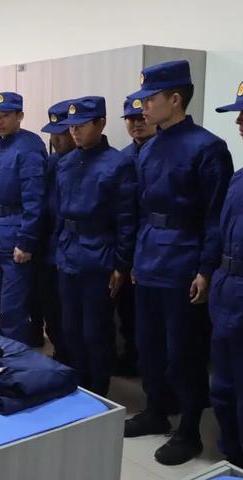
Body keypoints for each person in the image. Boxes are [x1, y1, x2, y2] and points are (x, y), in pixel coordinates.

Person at [124, 60, 234, 466]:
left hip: (184, 261)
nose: (143, 107)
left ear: (175, 99)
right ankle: (156, 410)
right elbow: (141, 210)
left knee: (184, 351)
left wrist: (206, 269)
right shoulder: (149, 148)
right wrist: (136, 257)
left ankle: (189, 429)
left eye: (150, 99)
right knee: (148, 345)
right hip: (150, 258)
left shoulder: (208, 148)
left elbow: (215, 216)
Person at [55, 96, 136, 397]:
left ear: (101, 123)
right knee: (70, 327)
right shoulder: (65, 163)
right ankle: (78, 385)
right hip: (68, 253)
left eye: (82, 125)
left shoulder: (118, 164)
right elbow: (59, 213)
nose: (74, 131)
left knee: (96, 330)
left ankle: (99, 390)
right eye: (71, 126)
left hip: (99, 254)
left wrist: (121, 264)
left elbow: (126, 219)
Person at [210, 75, 243, 474]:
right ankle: (232, 466)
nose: (239, 121)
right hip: (226, 290)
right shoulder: (242, 177)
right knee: (223, 389)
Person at [0, 92, 47, 346]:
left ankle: (16, 359)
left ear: (20, 116)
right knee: (2, 301)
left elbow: (35, 199)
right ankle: (8, 351)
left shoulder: (28, 147)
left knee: (13, 308)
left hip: (17, 232)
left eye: (5, 116)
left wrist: (26, 241)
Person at [31, 100, 75, 362]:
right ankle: (60, 348)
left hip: (72, 245)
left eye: (62, 133)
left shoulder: (83, 162)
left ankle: (73, 355)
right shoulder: (51, 163)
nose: (56, 140)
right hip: (48, 245)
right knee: (50, 302)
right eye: (53, 134)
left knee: (70, 307)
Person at [114, 97, 156, 376]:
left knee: (154, 316)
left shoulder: (163, 152)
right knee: (126, 307)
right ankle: (131, 356)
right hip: (125, 243)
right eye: (131, 119)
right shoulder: (122, 157)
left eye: (141, 117)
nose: (136, 123)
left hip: (155, 244)